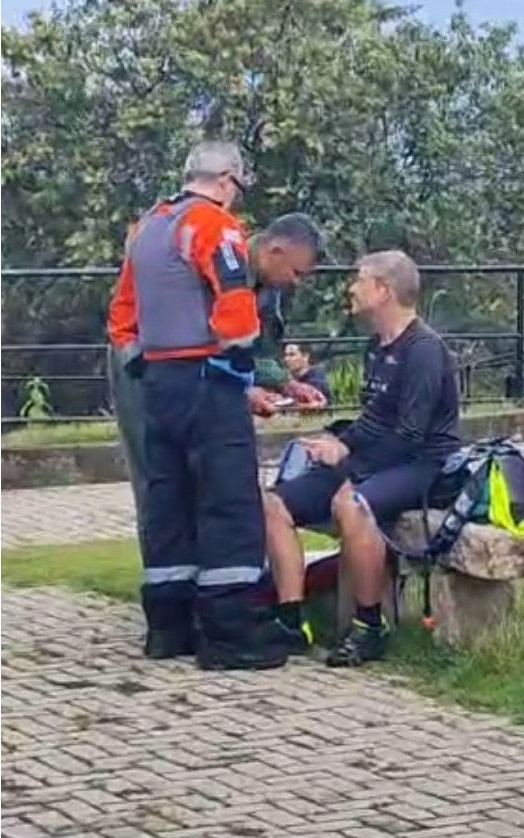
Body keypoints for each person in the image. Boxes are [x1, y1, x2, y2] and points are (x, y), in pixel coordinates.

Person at [129, 141, 327, 670]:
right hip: (207, 383)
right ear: (226, 180)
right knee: (230, 503)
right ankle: (230, 635)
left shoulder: (148, 228)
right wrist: (239, 374)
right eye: (238, 188)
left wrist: (146, 367)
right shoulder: (216, 227)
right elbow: (236, 307)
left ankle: (168, 626)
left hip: (159, 382)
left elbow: (122, 316)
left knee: (168, 500)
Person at [263, 250, 463, 665]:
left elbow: (411, 434)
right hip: (374, 459)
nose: (350, 287)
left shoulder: (425, 350)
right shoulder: (376, 345)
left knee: (350, 504)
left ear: (384, 290)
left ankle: (369, 627)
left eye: (359, 279)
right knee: (272, 503)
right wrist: (339, 443)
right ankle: (289, 621)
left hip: (422, 464)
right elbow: (373, 418)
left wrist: (349, 455)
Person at [107, 210, 328, 564]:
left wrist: (286, 384)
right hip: (151, 367)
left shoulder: (267, 289)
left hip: (205, 374)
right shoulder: (224, 262)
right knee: (160, 480)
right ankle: (170, 580)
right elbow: (201, 341)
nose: (296, 282)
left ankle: (209, 577)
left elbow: (255, 346)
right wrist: (241, 390)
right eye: (296, 272)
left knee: (209, 478)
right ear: (275, 250)